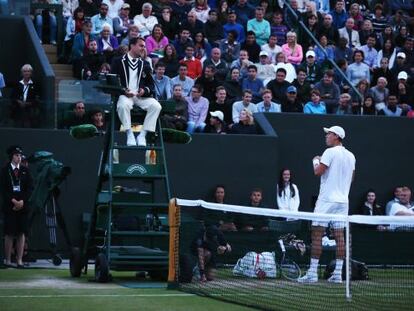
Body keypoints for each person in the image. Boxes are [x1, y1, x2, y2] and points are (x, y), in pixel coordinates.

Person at [298, 126, 355, 284]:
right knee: (339, 237)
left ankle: (312, 274)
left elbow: (318, 172)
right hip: (343, 201)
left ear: (336, 136)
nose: (326, 136)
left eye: (328, 134)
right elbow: (351, 179)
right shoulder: (351, 156)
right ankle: (337, 274)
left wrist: (316, 160)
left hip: (327, 201)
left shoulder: (329, 152)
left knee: (316, 234)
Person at [111, 37, 161, 146]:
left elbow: (151, 85)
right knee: (122, 105)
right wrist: (124, 90)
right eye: (141, 45)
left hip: (140, 96)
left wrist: (144, 90)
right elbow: (112, 81)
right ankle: (129, 134)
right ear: (132, 46)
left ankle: (142, 135)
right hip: (125, 95)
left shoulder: (145, 64)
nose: (143, 48)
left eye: (144, 46)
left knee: (156, 106)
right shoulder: (118, 61)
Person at [1, 146, 33, 268]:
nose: (18, 158)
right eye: (16, 155)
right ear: (11, 157)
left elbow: (30, 188)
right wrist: (14, 201)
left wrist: (22, 201)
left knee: (21, 233)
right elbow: (3, 189)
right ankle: (8, 260)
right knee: (9, 233)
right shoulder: (4, 171)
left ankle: (19, 260)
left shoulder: (25, 170)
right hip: (10, 207)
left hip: (23, 207)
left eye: (20, 155)